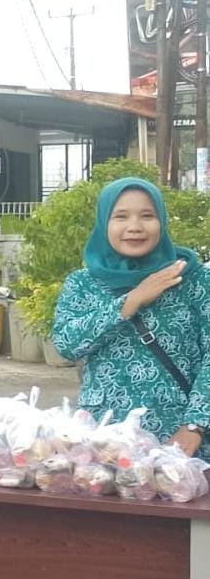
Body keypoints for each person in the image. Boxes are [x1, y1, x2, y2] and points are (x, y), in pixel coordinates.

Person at [52, 177, 210, 458]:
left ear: (161, 221)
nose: (134, 227)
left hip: (179, 440)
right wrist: (130, 302)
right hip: (103, 440)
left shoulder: (193, 280)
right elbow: (67, 344)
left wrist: (195, 424)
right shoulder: (83, 283)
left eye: (147, 216)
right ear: (105, 222)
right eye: (121, 216)